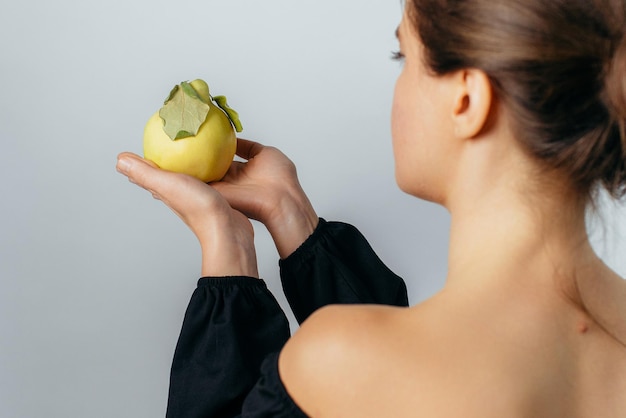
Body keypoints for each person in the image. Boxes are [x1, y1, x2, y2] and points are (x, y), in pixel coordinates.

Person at [116, 0, 626, 416]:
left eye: (402, 58)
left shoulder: (341, 361)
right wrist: (291, 215)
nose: (398, 85)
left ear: (467, 100)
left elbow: (372, 370)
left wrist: (227, 249)